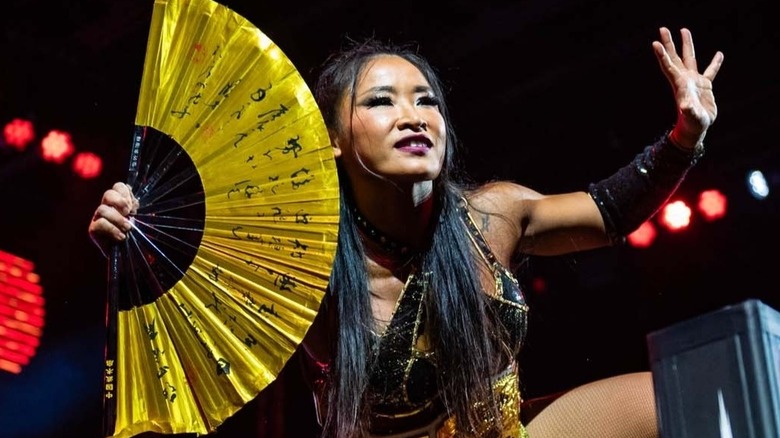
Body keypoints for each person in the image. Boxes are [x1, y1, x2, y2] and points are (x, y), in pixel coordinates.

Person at [89, 26, 723, 437]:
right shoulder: (306, 265)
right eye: (380, 101)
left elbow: (610, 211)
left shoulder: (493, 215)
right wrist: (134, 240)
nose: (412, 116)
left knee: (700, 394)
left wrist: (684, 136)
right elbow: (188, 318)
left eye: (426, 100)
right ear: (333, 140)